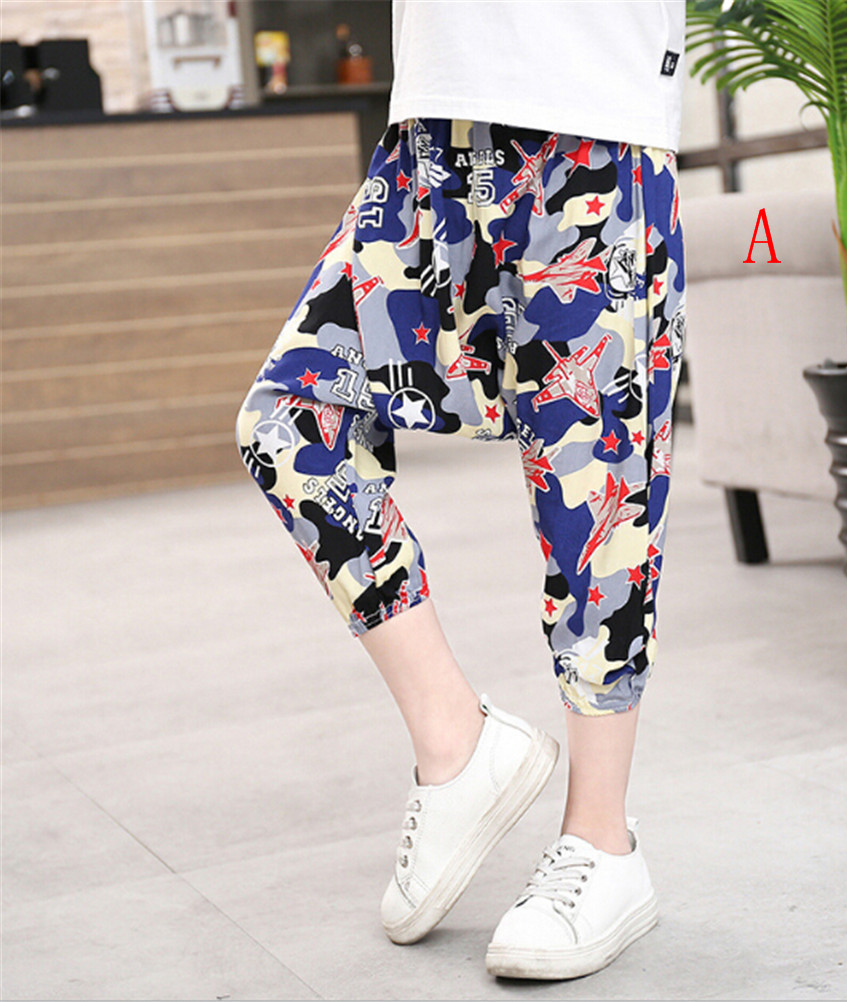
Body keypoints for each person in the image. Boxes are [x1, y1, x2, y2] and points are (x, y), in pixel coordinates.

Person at [236, 0, 686, 981]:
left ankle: (602, 843)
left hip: (593, 127)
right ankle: (456, 745)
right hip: (430, 141)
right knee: (289, 423)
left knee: (594, 508)